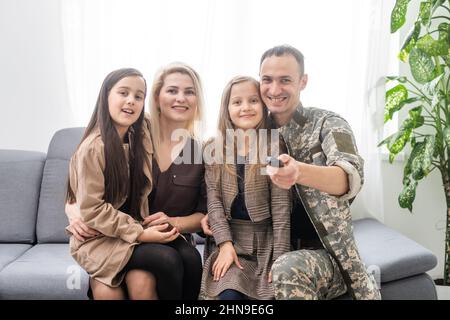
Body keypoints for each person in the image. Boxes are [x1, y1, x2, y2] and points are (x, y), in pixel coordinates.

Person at [201, 45, 381, 300]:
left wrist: (299, 173)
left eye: (285, 80)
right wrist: (207, 218)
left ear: (302, 81)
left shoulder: (327, 123)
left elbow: (349, 178)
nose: (274, 90)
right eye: (267, 80)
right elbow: (221, 189)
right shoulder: (252, 132)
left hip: (321, 253)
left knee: (286, 269)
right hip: (262, 248)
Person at [66, 63, 207, 300]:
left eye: (189, 92)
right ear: (157, 96)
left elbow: (204, 214)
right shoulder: (136, 131)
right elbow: (80, 183)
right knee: (134, 280)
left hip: (162, 237)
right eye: (172, 90)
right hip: (118, 235)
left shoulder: (200, 151)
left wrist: (173, 222)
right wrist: (74, 211)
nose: (180, 99)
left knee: (191, 260)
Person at [200, 76, 291, 300]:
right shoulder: (213, 148)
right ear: (227, 108)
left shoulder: (274, 145)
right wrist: (224, 244)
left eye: (253, 101)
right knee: (229, 295)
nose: (245, 108)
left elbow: (281, 210)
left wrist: (280, 259)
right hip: (230, 241)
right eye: (237, 102)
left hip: (267, 244)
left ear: (263, 105)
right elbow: (214, 201)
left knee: (271, 294)